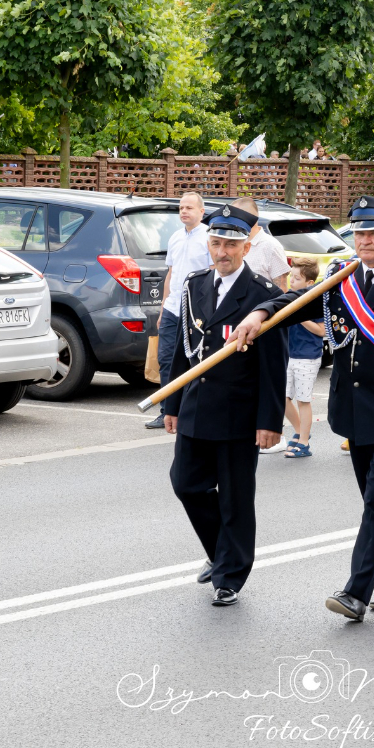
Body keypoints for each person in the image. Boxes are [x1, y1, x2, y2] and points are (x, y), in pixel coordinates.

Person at [234, 195, 374, 623]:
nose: (364, 240)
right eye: (359, 232)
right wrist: (259, 312)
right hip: (355, 411)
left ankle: (356, 592)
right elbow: (297, 303)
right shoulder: (345, 278)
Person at [163, 204, 287, 607]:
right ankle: (221, 553)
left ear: (247, 247)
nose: (222, 252)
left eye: (231, 245)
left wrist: (270, 420)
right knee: (185, 483)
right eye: (216, 243)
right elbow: (185, 351)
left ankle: (231, 575)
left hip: (239, 412)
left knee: (235, 497)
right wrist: (173, 403)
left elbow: (273, 365)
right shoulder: (194, 285)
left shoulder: (264, 296)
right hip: (197, 407)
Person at [148, 192, 211, 428]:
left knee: (193, 359)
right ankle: (167, 410)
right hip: (173, 308)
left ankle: (189, 410)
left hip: (196, 312)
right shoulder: (175, 237)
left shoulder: (208, 238)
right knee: (166, 359)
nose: (184, 211)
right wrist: (163, 307)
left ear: (201, 211)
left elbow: (212, 275)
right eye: (182, 208)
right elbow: (170, 276)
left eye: (189, 208)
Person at [269, 258, 326, 457]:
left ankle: (304, 443)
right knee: (282, 398)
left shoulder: (316, 300)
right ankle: (302, 432)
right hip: (289, 355)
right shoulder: (289, 298)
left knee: (303, 400)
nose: (291, 282)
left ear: (309, 283)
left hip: (308, 356)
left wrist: (299, 316)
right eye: (291, 277)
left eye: (296, 278)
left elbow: (321, 331)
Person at [231, 197, 290, 288]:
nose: (231, 221)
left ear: (249, 218)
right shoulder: (234, 242)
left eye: (234, 217)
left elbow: (281, 290)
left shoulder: (271, 246)